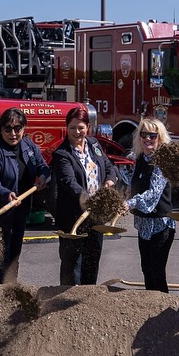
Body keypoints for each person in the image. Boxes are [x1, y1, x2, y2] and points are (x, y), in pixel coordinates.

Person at [0, 108, 49, 284]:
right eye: (8, 129)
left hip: (20, 210)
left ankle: (11, 289)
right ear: (0, 130)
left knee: (15, 253)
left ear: (24, 129)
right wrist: (6, 194)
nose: (13, 133)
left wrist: (43, 177)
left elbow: (43, 166)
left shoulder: (29, 146)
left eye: (18, 128)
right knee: (1, 256)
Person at [51, 107, 117, 285]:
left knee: (92, 261)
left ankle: (87, 302)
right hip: (73, 217)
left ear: (88, 127)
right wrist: (90, 200)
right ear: (66, 128)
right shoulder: (62, 154)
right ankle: (67, 303)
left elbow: (109, 166)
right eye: (72, 128)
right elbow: (69, 182)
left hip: (96, 216)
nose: (76, 132)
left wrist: (110, 180)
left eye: (80, 127)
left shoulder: (94, 145)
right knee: (72, 266)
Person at [124, 118, 176, 293]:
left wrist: (129, 203)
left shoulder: (162, 162)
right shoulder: (140, 158)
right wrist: (129, 190)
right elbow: (134, 182)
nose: (147, 139)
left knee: (157, 272)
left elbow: (153, 194)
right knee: (146, 270)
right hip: (144, 223)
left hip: (161, 224)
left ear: (159, 138)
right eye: (143, 134)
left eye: (152, 135)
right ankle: (150, 310)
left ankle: (163, 314)